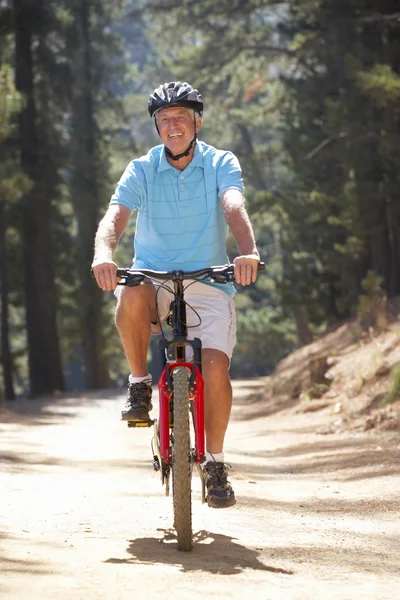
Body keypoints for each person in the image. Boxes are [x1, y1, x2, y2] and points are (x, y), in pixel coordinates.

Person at [92, 81, 260, 508]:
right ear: (156, 127)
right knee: (131, 292)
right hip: (154, 280)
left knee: (216, 370)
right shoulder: (141, 168)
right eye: (164, 119)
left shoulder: (220, 162)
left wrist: (248, 251)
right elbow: (115, 216)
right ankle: (139, 384)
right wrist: (103, 254)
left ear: (196, 122)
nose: (172, 125)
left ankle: (216, 463)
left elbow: (233, 205)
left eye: (180, 117)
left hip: (209, 280)